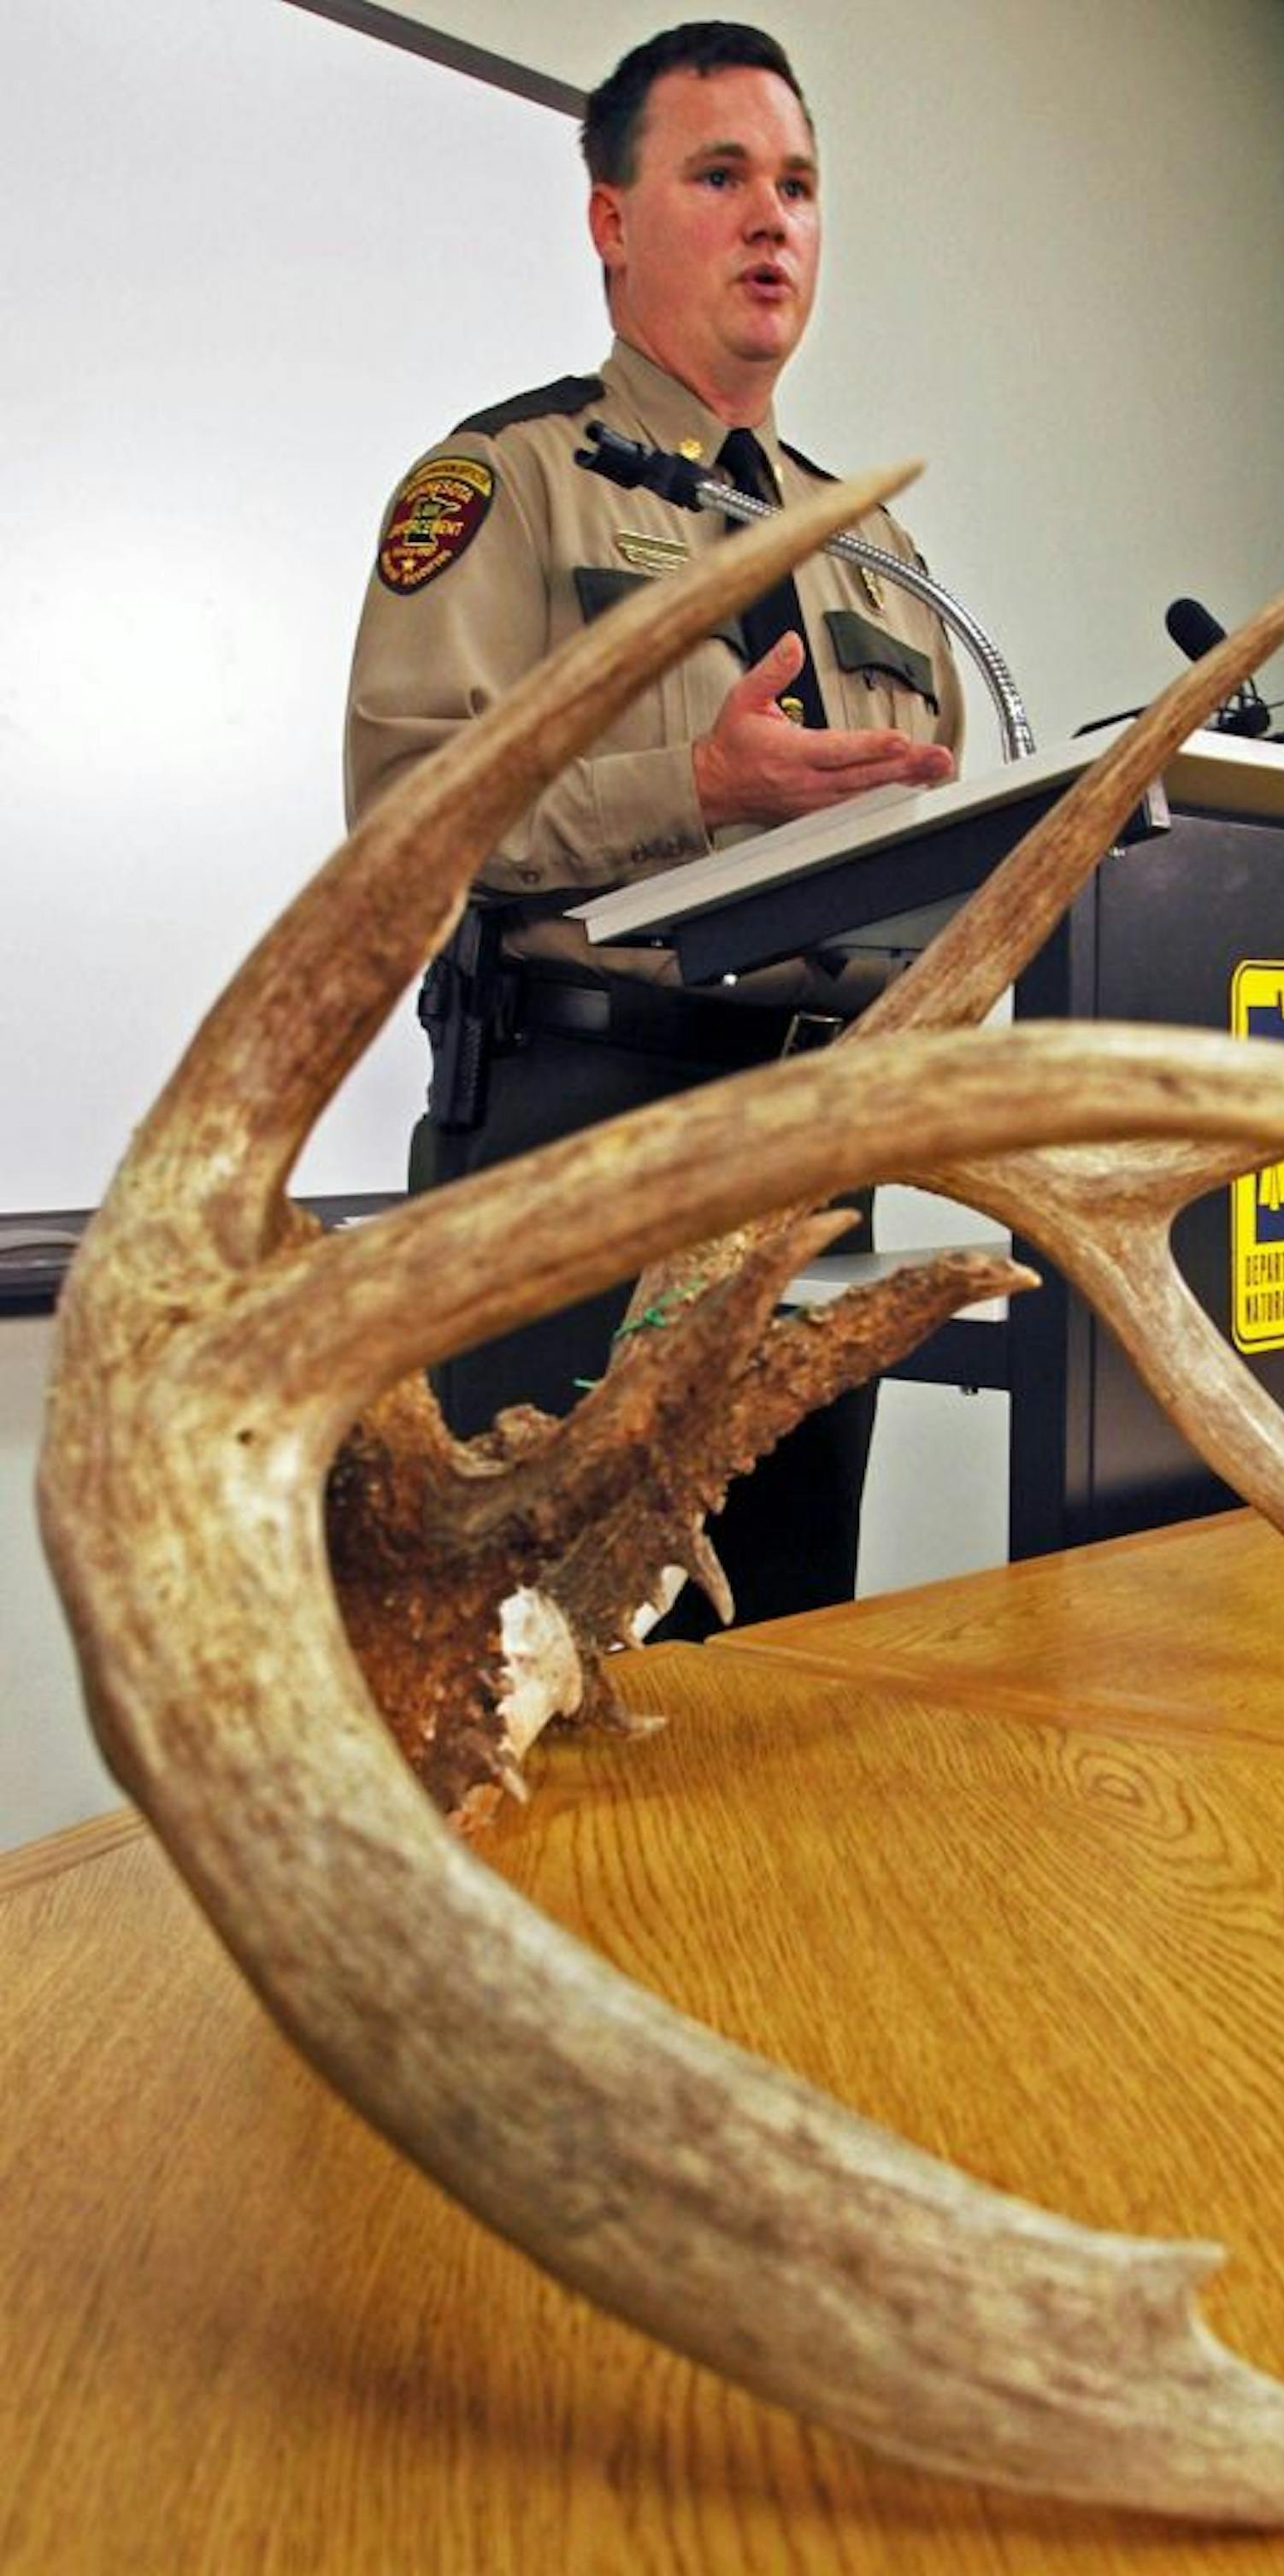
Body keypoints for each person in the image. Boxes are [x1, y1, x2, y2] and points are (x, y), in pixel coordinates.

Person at [345, 21, 963, 1632]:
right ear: (612, 222)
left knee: (783, 1652)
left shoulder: (877, 550)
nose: (774, 219)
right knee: (540, 1661)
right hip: (577, 1140)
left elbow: (940, 823)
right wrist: (694, 789)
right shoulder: (506, 482)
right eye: (722, 176)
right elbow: (405, 823)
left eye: (799, 186)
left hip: (813, 1149)